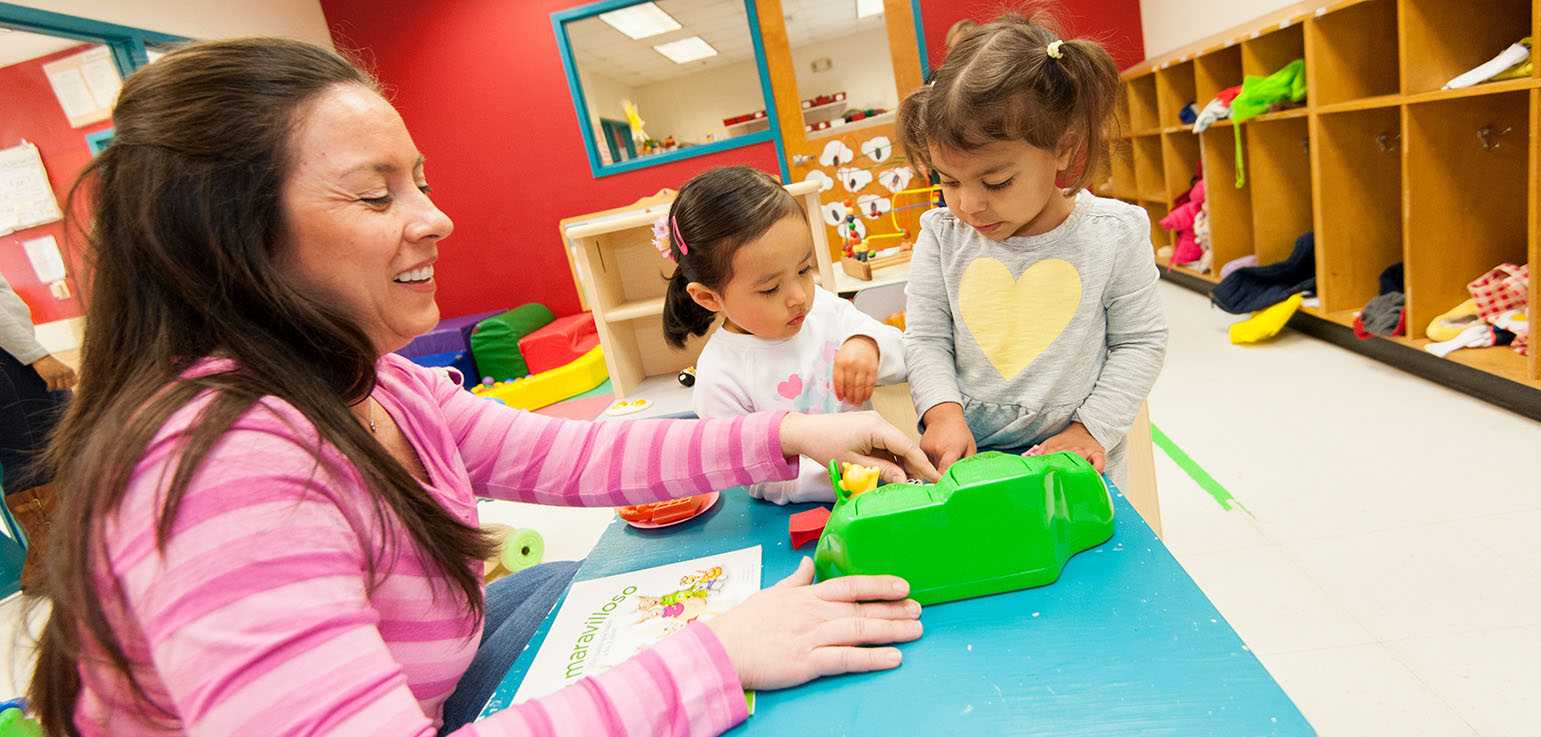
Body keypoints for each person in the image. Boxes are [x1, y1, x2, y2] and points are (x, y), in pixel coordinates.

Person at [28, 38, 936, 737]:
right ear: (235, 239)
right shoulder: (224, 463)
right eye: (376, 195)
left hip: (436, 679)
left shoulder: (376, 380)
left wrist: (789, 435)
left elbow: (571, 453)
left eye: (419, 182)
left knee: (578, 582)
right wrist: (717, 658)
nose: (437, 218)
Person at [898, 13, 1168, 483]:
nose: (969, 204)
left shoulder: (1114, 233)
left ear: (1063, 148)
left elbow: (1140, 342)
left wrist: (1090, 429)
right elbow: (926, 338)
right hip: (970, 459)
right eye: (949, 181)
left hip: (1074, 458)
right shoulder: (942, 236)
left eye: (997, 181)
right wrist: (942, 413)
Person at [661, 166, 907, 504]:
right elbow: (754, 478)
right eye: (770, 288)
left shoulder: (823, 309)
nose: (799, 297)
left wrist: (868, 344)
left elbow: (905, 356)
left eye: (804, 270)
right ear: (708, 297)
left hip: (885, 492)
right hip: (815, 510)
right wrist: (842, 477)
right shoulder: (719, 376)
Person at [1, 270, 75, 566]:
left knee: (40, 456)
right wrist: (37, 356)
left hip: (13, 360)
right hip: (11, 364)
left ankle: (59, 563)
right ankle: (55, 567)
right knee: (36, 460)